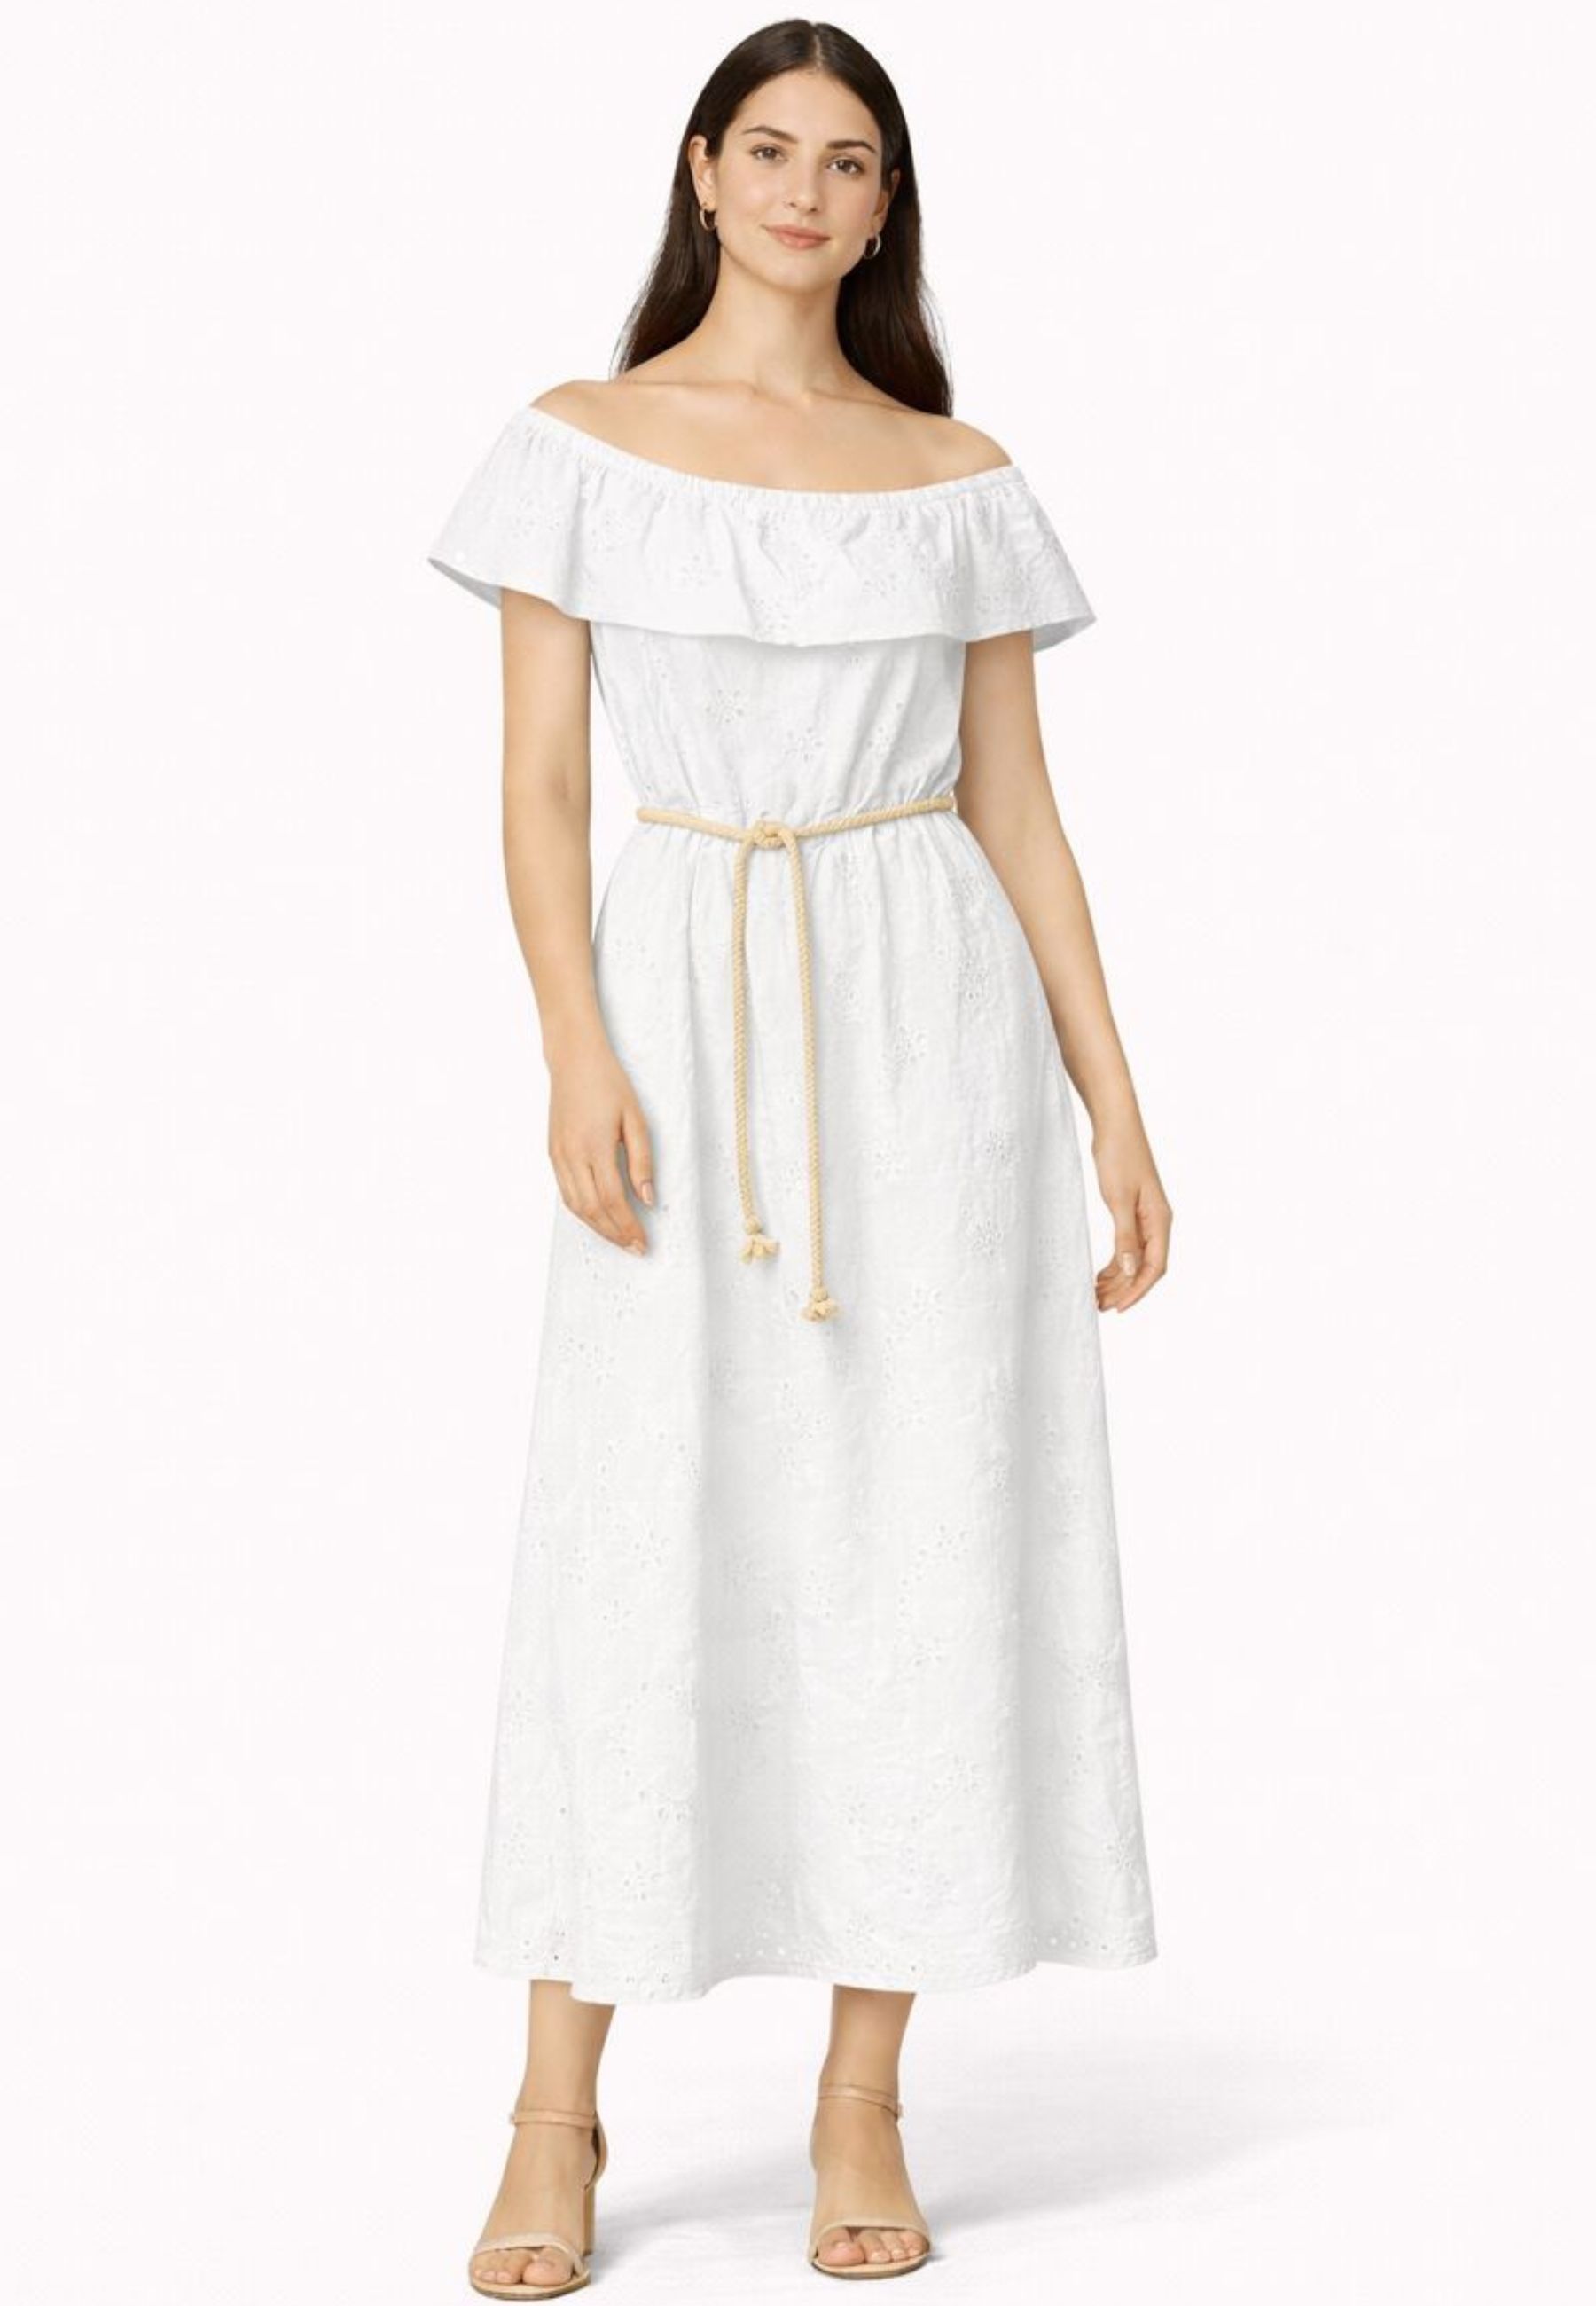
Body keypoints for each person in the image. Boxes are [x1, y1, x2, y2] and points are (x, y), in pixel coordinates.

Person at [427, 20, 1170, 2294]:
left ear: (884, 203)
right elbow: (541, 784)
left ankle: (865, 2096)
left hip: (930, 1031)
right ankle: (555, 2113)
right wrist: (572, 1041)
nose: (807, 191)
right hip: (687, 998)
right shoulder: (580, 442)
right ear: (702, 171)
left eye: (851, 162)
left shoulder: (953, 472)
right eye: (771, 150)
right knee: (635, 1532)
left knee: (917, 1538)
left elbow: (1015, 803)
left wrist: (1114, 1096)